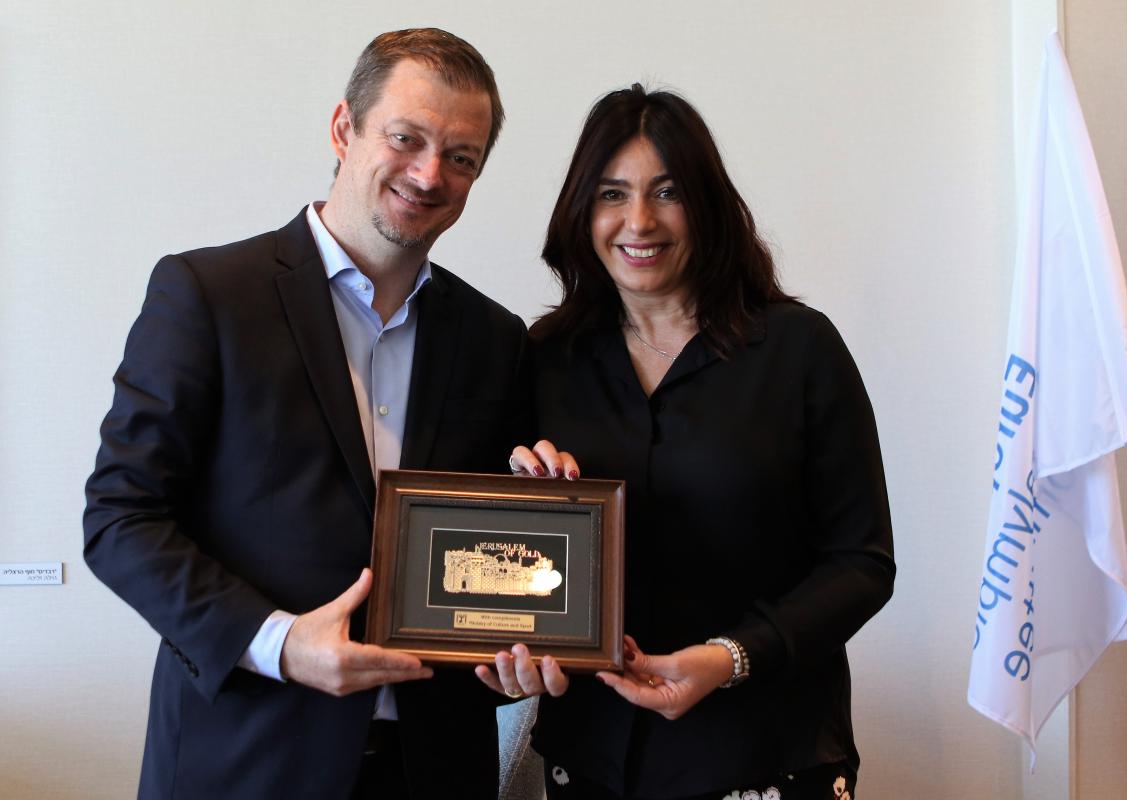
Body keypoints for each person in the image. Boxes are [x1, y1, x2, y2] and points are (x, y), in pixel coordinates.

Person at [83, 29, 530, 799]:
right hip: (248, 758)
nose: (430, 174)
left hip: (435, 767)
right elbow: (120, 520)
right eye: (406, 137)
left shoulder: (496, 338)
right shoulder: (208, 294)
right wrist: (279, 643)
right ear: (342, 128)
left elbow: (494, 557)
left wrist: (525, 636)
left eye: (462, 157)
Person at [489, 85, 895, 799]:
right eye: (612, 193)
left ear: (705, 205)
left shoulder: (800, 349)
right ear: (582, 211)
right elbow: (508, 561)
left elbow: (861, 564)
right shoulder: (542, 358)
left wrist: (730, 657)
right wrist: (525, 513)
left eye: (666, 192)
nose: (638, 221)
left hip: (765, 751)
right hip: (590, 757)